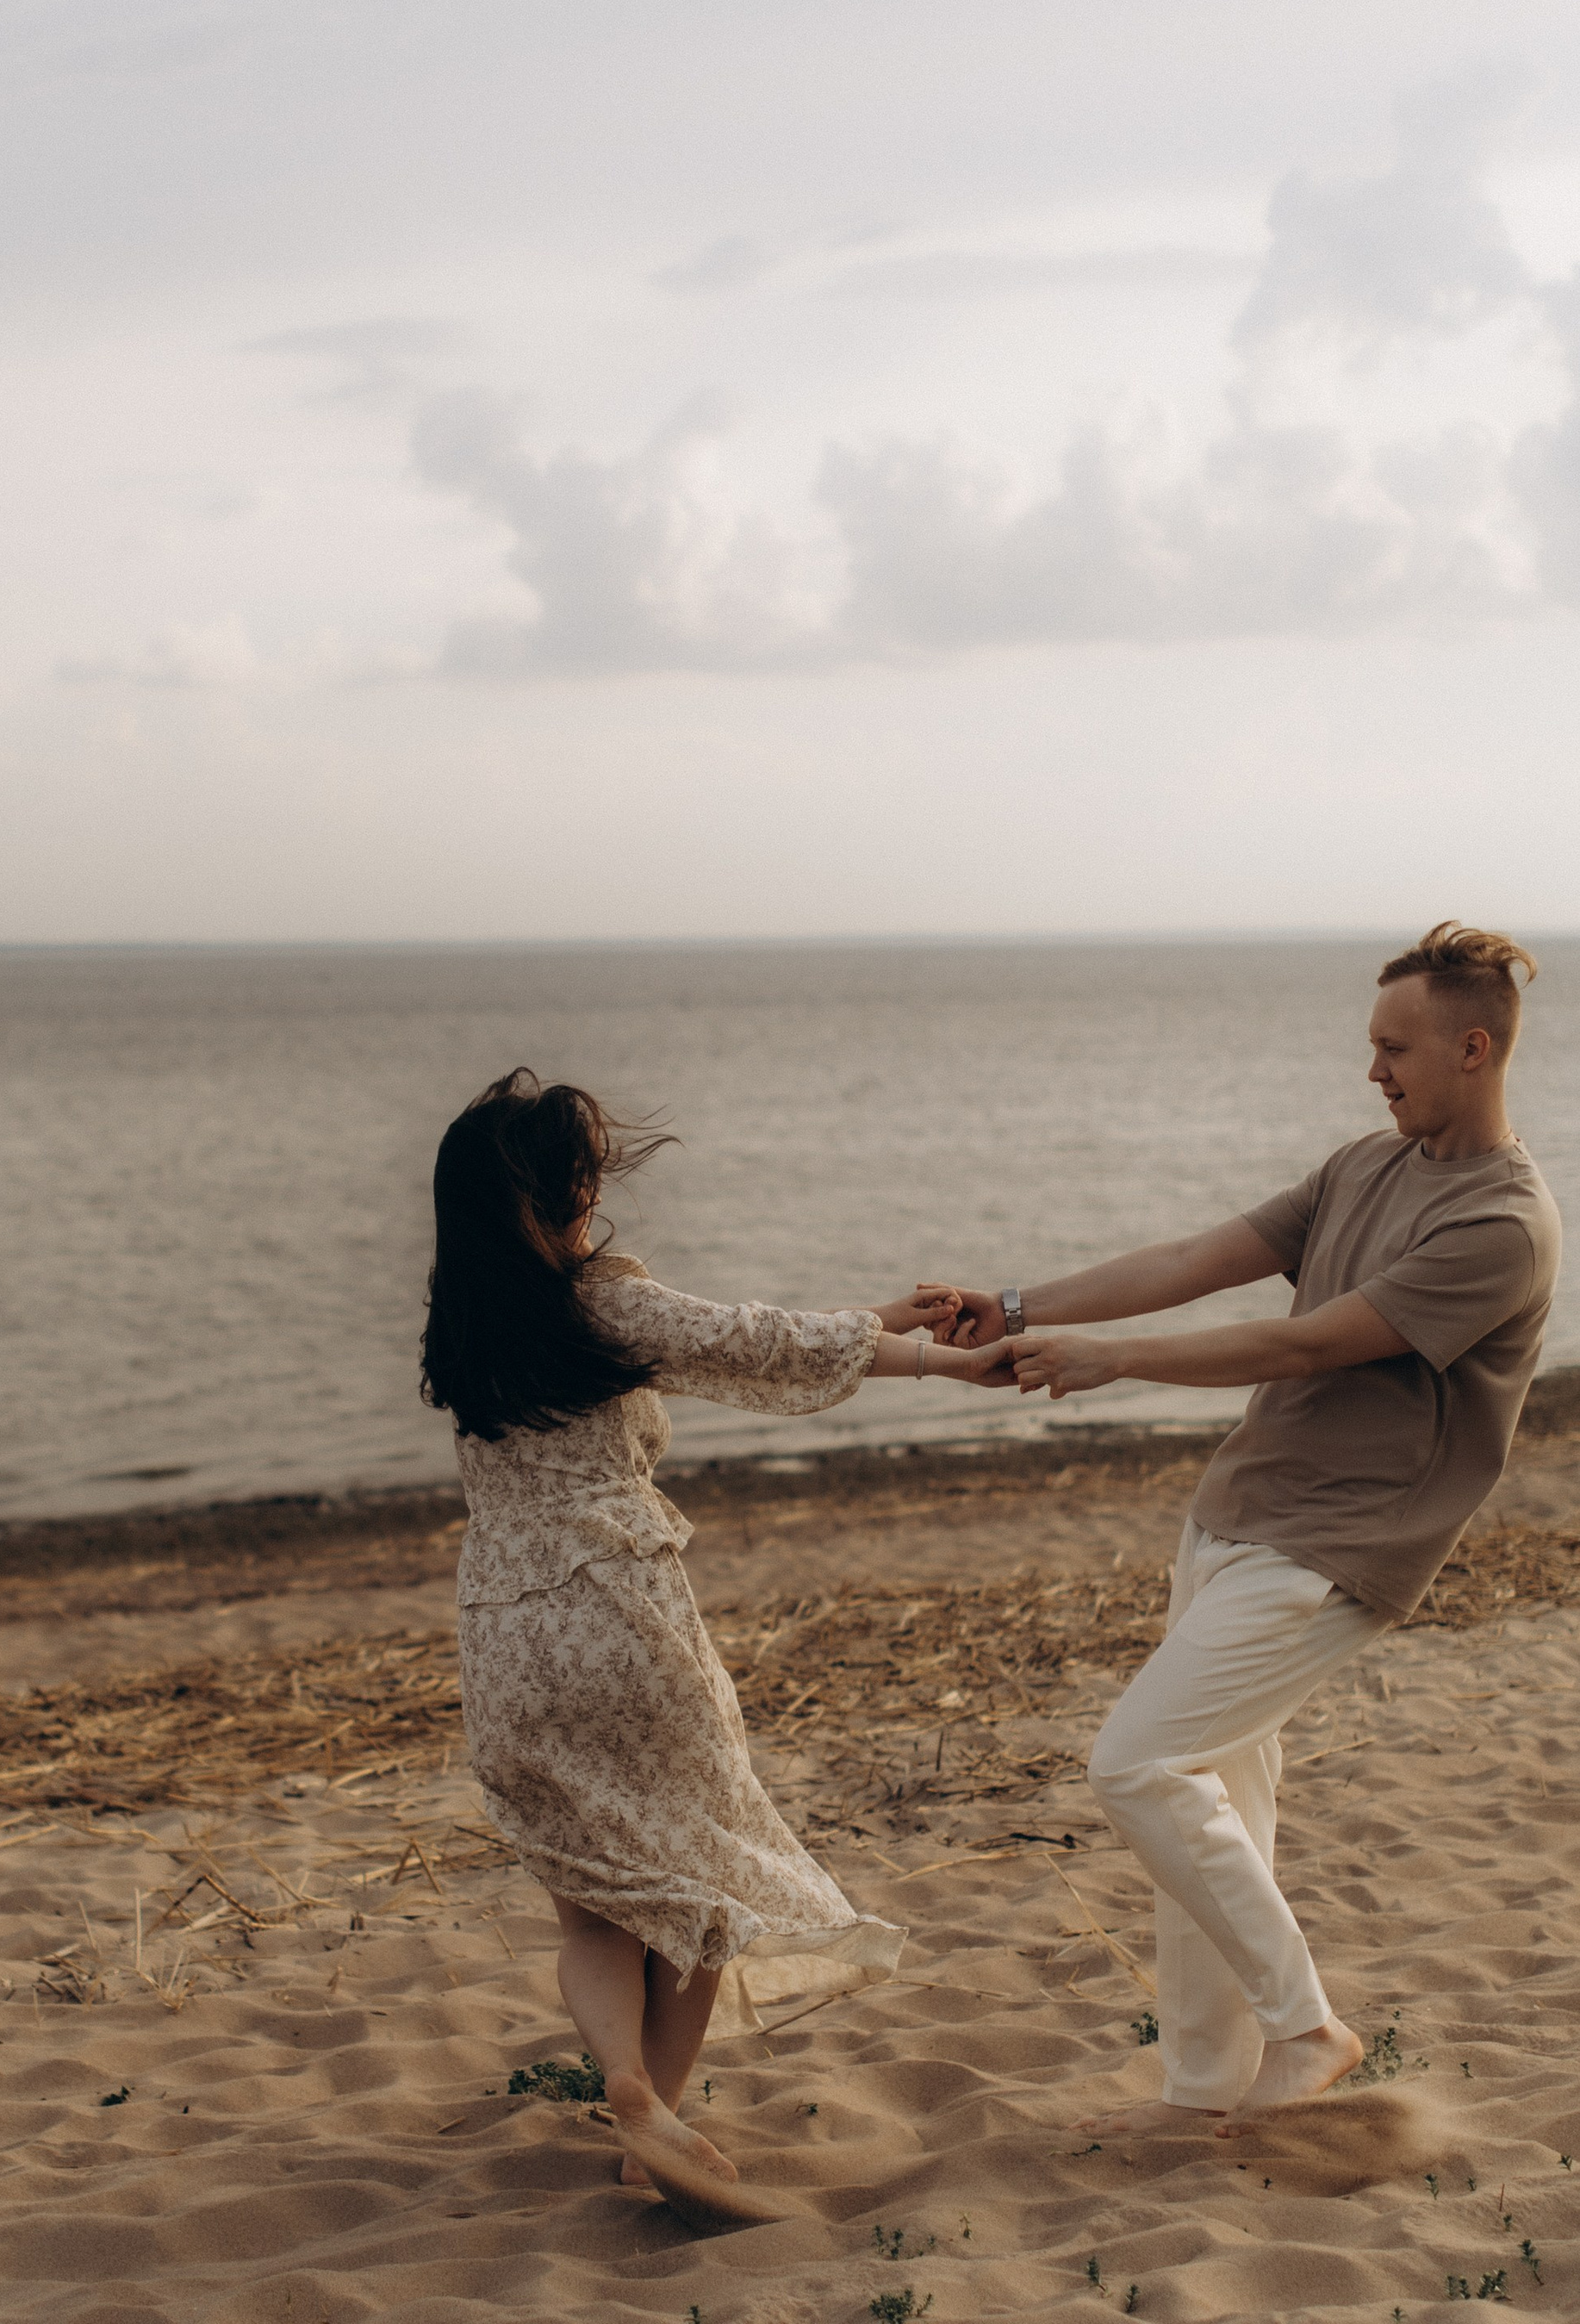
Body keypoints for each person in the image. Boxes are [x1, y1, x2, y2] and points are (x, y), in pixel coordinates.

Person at [932, 924, 1560, 2134]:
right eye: (1373, 1046)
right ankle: (1203, 2091)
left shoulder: (1503, 1225)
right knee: (1212, 1804)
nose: (1374, 1071)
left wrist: (1116, 1361)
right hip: (1234, 1516)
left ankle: (1307, 2024)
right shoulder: (1362, 1167)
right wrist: (1010, 1305)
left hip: (1334, 1548)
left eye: (1395, 1049)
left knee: (1136, 1765)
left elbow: (1308, 1342)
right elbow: (1194, 1258)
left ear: (1473, 1048)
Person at [421, 1067, 990, 2230]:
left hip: (507, 1639)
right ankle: (652, 2133)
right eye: (583, 1180)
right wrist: (923, 1343)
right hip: (620, 1619)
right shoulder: (601, 1306)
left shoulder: (463, 1326)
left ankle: (627, 2089)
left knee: (594, 1910)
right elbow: (755, 1342)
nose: (596, 1196)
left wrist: (880, 1322)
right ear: (556, 1198)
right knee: (702, 1895)